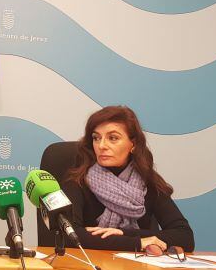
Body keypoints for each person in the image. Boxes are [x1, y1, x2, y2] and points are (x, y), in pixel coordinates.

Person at [61, 105, 194, 252]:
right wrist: (136, 243)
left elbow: (184, 236)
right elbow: (70, 235)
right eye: (96, 138)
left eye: (113, 138)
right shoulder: (78, 180)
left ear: (133, 144)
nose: (102, 145)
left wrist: (126, 233)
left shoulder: (148, 182)